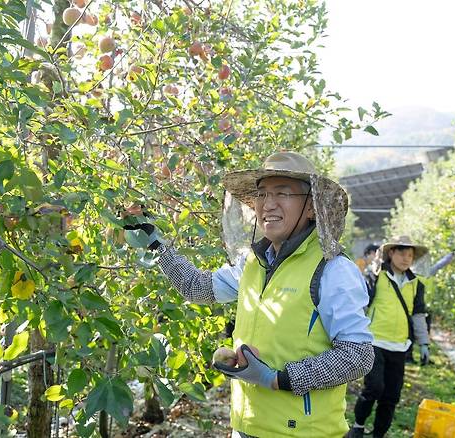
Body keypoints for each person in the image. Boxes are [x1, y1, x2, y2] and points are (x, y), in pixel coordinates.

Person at [127, 151, 374, 437]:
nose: (268, 204)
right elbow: (196, 286)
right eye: (262, 194)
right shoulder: (253, 264)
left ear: (311, 208)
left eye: (282, 193)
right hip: (246, 426)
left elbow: (358, 356)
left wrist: (277, 378)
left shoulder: (332, 269)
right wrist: (154, 242)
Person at [347, 235, 431, 438]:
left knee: (391, 395)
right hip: (374, 341)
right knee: (374, 387)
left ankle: (379, 433)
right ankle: (358, 426)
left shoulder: (415, 284)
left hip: (399, 346)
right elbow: (362, 305)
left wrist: (424, 343)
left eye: (410, 255)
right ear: (391, 253)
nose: (406, 258)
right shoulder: (377, 276)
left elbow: (418, 315)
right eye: (402, 253)